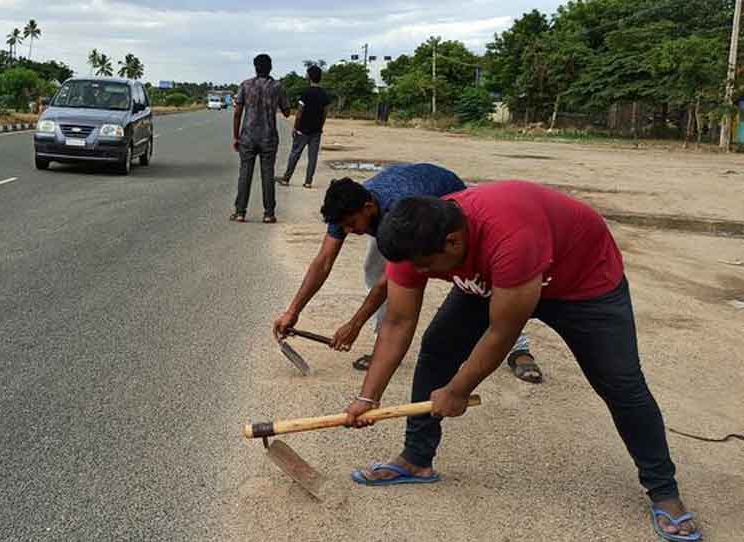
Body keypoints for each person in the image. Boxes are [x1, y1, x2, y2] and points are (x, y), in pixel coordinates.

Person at [343, 181, 700, 542]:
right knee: (437, 348)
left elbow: (502, 333)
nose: (419, 273)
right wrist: (367, 398)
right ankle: (416, 459)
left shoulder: (509, 236)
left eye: (426, 267)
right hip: (497, 277)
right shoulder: (412, 244)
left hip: (582, 282)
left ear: (453, 241)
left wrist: (457, 390)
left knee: (620, 384)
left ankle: (663, 490)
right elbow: (399, 322)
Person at [273, 164, 542, 380]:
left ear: (368, 209)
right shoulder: (349, 209)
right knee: (372, 268)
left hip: (443, 199)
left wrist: (354, 325)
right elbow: (323, 262)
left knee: (480, 281)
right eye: (342, 226)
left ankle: (519, 348)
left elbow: (388, 282)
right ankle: (385, 345)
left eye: (351, 224)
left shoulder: (396, 207)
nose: (347, 231)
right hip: (400, 207)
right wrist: (292, 311)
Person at [230, 54, 291, 224]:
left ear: (255, 67)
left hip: (248, 137)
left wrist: (236, 136)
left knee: (245, 174)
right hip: (268, 137)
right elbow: (287, 112)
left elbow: (237, 113)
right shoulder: (277, 87)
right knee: (267, 174)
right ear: (270, 67)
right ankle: (269, 213)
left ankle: (240, 212)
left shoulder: (245, 85)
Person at [275, 65, 330, 189]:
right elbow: (325, 112)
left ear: (309, 77)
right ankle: (308, 182)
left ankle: (286, 178)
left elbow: (299, 113)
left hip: (303, 129)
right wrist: (321, 125)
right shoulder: (324, 94)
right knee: (313, 157)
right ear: (320, 78)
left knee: (295, 154)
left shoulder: (305, 93)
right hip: (316, 130)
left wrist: (295, 127)